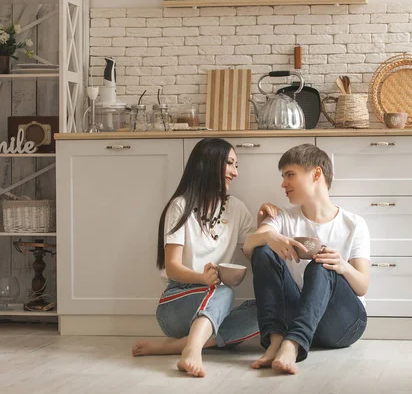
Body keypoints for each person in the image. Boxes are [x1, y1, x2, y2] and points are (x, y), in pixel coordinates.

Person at [131, 138, 261, 378]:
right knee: (224, 291)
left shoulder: (237, 209)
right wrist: (202, 278)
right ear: (210, 164)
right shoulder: (180, 206)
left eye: (237, 165)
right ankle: (192, 350)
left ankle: (175, 346)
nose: (236, 172)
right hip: (177, 300)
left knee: (266, 311)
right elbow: (172, 267)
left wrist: (267, 223)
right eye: (230, 164)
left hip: (212, 307)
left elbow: (253, 249)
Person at [243, 144, 371, 375]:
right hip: (298, 317)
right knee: (263, 248)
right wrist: (270, 236)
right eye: (283, 177)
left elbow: (362, 286)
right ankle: (276, 341)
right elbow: (249, 245)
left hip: (343, 325)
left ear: (316, 174)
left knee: (322, 265)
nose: (283, 184)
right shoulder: (283, 217)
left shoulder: (354, 224)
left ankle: (292, 345)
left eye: (290, 175)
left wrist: (342, 266)